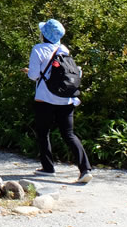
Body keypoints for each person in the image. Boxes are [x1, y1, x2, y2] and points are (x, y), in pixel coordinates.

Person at [26, 19, 93, 184]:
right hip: (66, 99)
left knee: (43, 133)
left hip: (45, 98)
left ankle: (48, 168)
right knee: (69, 134)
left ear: (44, 35)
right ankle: (85, 169)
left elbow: (34, 75)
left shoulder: (38, 49)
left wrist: (29, 72)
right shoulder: (64, 49)